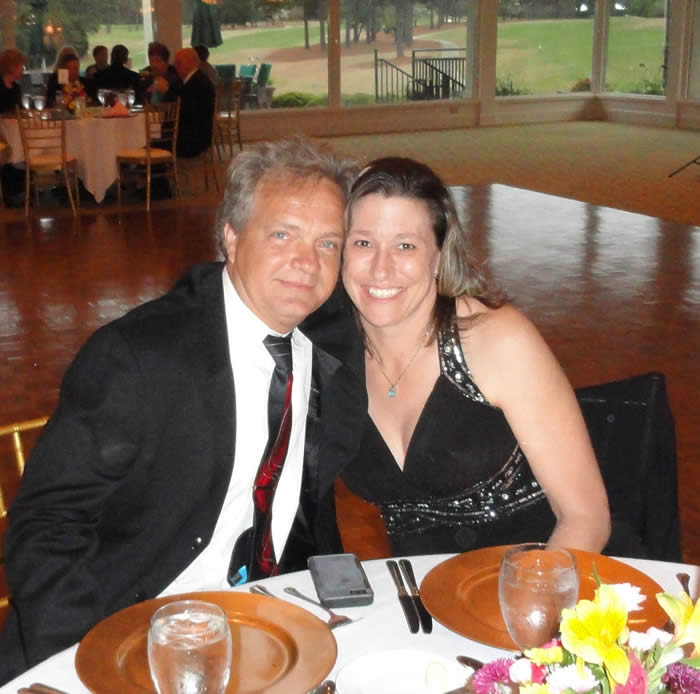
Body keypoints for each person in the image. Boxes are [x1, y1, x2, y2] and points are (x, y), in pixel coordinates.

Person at [0, 138, 362, 684]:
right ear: (231, 237)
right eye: (282, 234)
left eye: (327, 243)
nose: (307, 263)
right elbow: (47, 525)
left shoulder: (329, 342)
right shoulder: (139, 357)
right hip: (128, 628)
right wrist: (90, 664)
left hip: (263, 627)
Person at [340, 157, 611, 555]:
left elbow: (586, 517)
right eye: (363, 243)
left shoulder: (495, 342)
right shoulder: (333, 353)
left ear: (438, 256)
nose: (381, 269)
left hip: (545, 571)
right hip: (425, 587)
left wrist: (530, 591)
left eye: (405, 246)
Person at [172, 46, 215, 159]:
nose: (175, 67)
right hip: (193, 134)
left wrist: (167, 92)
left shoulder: (198, 83)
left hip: (193, 138)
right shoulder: (191, 80)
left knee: (154, 139)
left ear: (190, 63)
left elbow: (185, 110)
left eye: (178, 63)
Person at [0, 48, 27, 207]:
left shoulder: (16, 88)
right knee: (6, 149)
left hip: (12, 132)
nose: (23, 70)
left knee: (21, 146)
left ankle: (21, 190)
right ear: (11, 67)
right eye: (20, 66)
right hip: (1, 136)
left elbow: (18, 111)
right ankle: (11, 193)